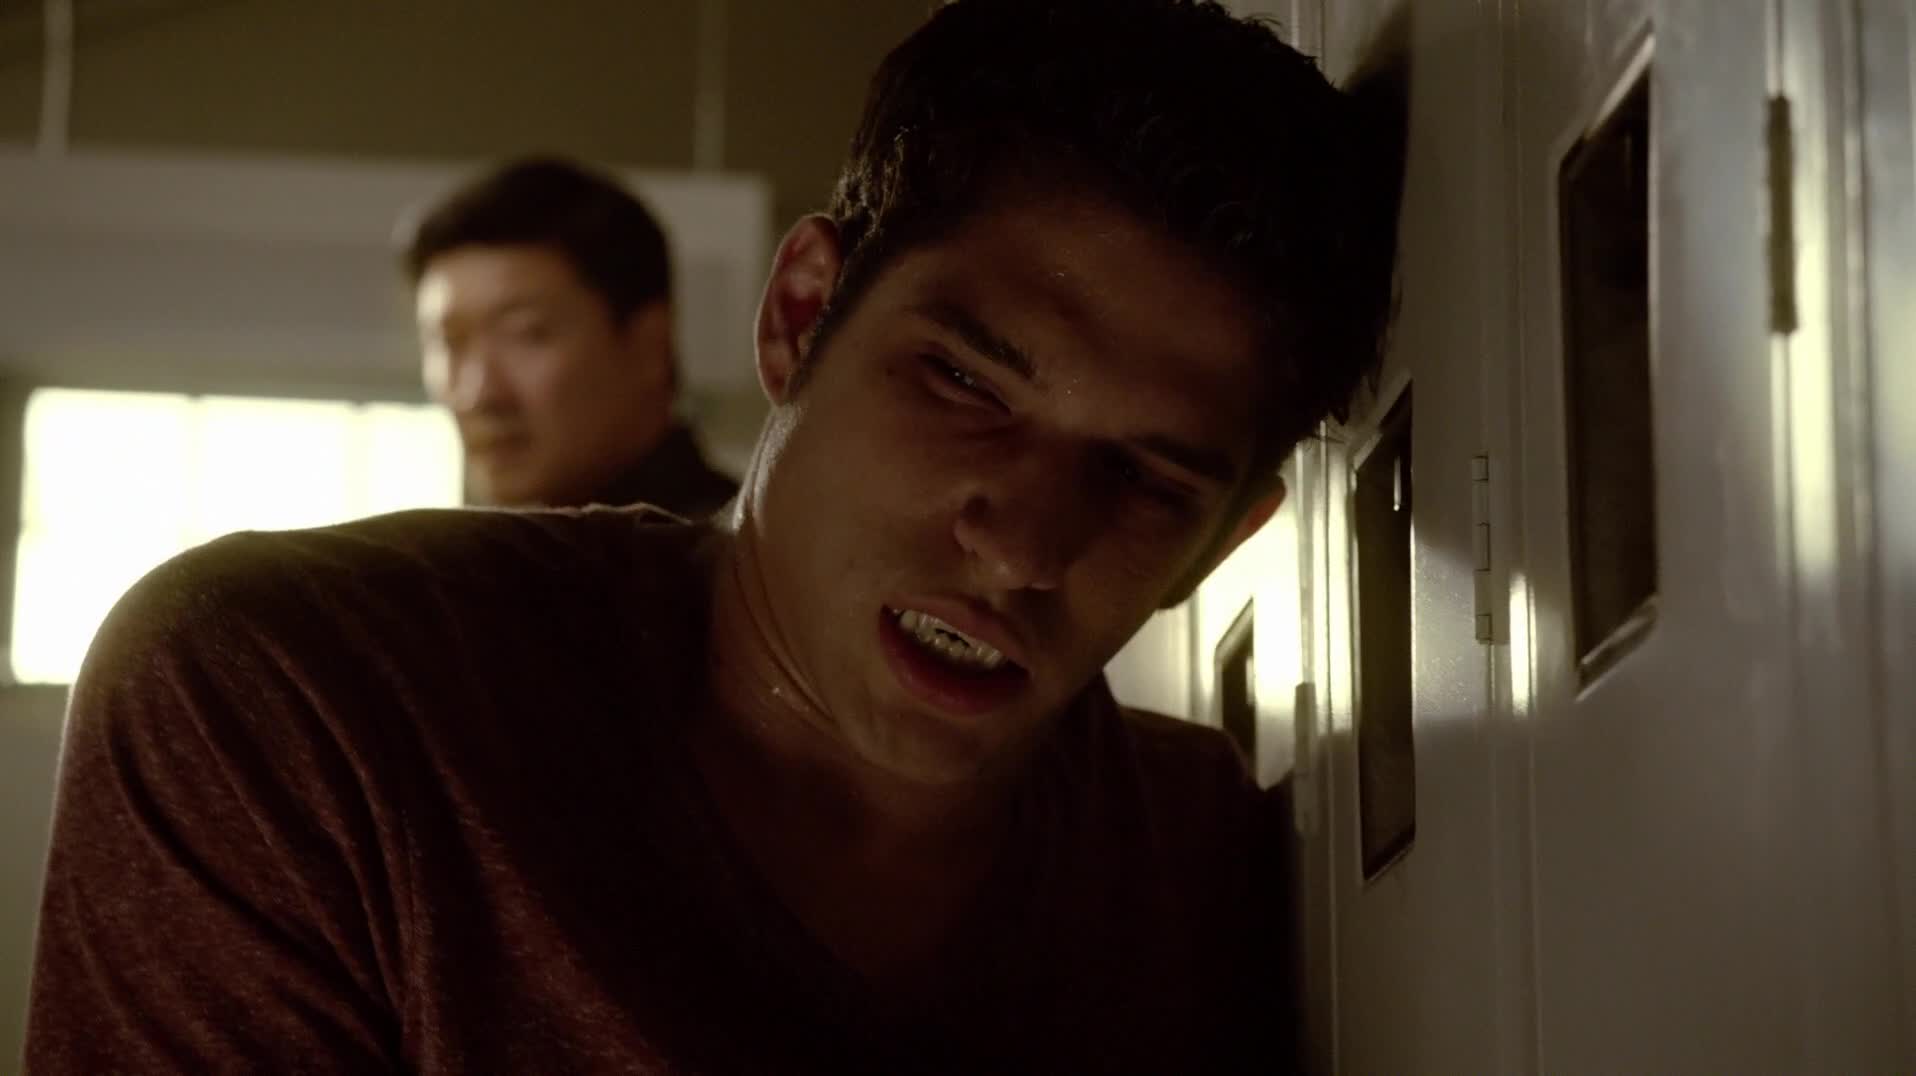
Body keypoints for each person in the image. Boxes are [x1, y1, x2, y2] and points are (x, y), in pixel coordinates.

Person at [23, 1, 1397, 1071]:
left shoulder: (1202, 865)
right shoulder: (306, 704)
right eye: (966, 384)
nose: (1021, 544)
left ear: (1221, 545)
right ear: (799, 318)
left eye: (1146, 479)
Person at [403, 156, 738, 515]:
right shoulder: (498, 546)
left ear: (648, 346)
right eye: (449, 341)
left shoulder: (737, 545)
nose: (480, 395)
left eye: (526, 334)